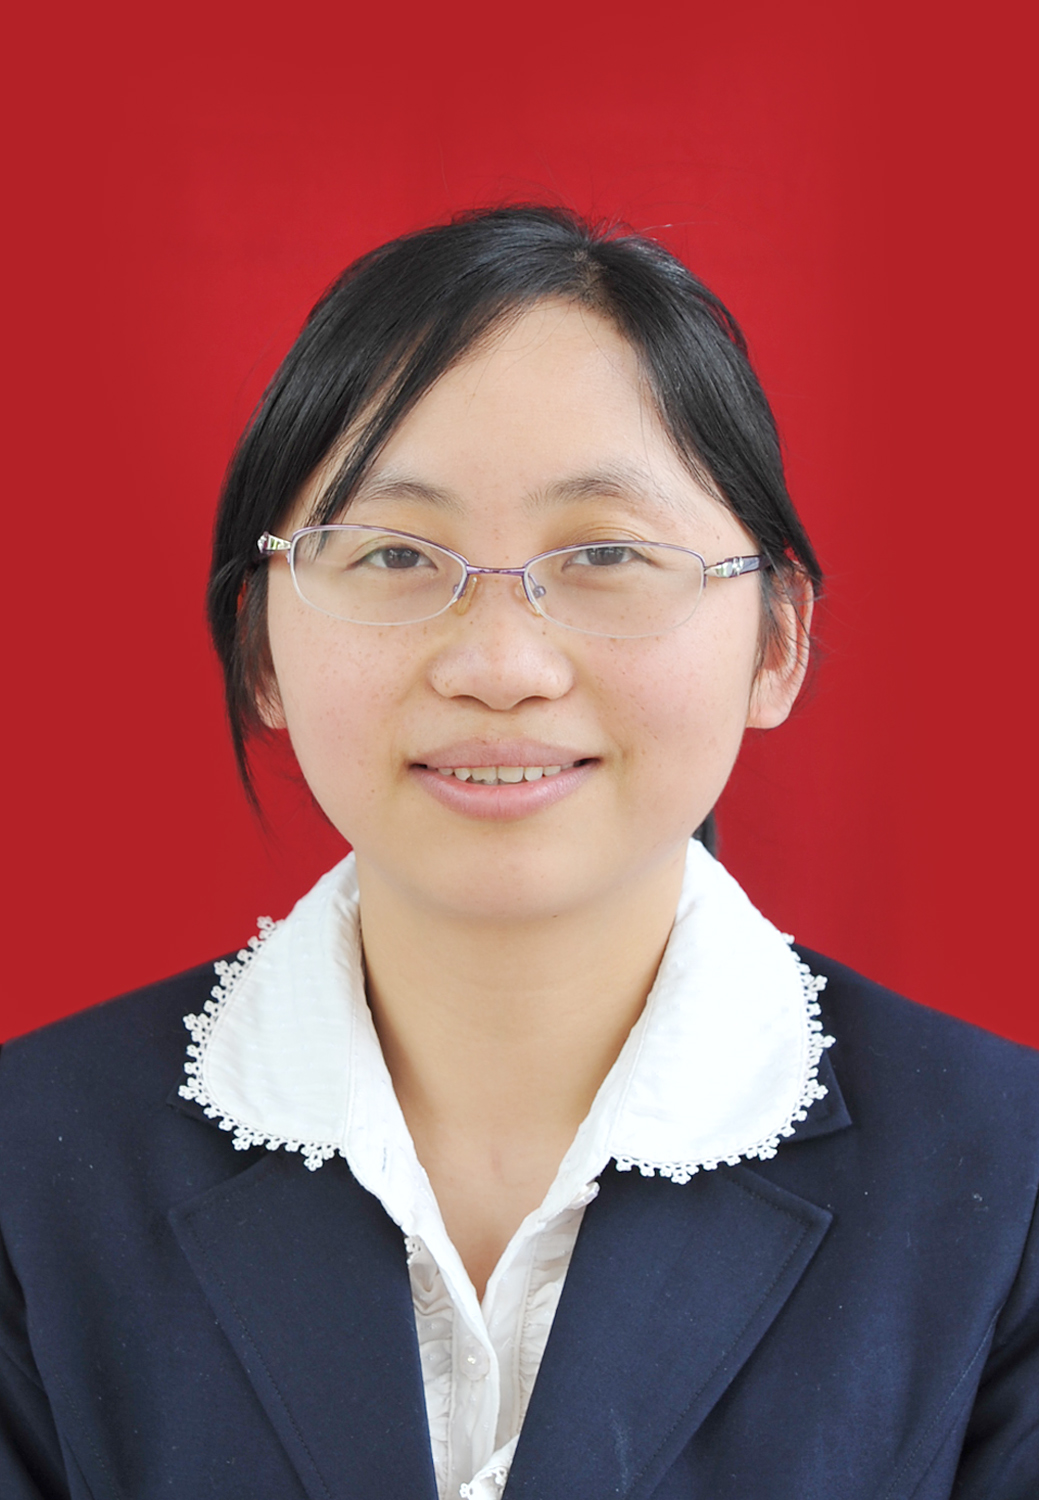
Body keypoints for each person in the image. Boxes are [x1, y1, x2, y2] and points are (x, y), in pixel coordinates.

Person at [0, 205, 1036, 1500]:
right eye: (394, 553)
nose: (500, 666)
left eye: (605, 554)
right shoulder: (29, 1172)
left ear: (777, 643)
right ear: (260, 647)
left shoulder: (1008, 1180)